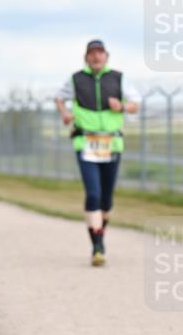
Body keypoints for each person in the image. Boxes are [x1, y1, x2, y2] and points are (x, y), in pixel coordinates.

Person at [55, 39, 140, 266]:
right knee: (93, 193)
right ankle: (97, 245)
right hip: (86, 142)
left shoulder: (119, 78)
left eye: (100, 53)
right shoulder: (76, 79)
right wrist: (65, 113)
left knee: (106, 198)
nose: (96, 57)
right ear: (86, 57)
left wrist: (121, 107)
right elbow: (59, 97)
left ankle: (100, 233)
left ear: (106, 56)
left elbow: (136, 103)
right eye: (92, 53)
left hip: (111, 144)